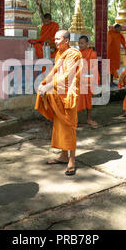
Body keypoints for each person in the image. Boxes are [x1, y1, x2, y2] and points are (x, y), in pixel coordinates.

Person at [35, 30, 82, 176]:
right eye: (54, 38)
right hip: (58, 94)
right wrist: (44, 83)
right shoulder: (59, 54)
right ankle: (63, 155)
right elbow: (55, 72)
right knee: (59, 124)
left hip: (69, 94)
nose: (55, 41)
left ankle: (72, 160)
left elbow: (68, 75)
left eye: (58, 39)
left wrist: (49, 86)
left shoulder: (74, 54)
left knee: (69, 125)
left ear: (66, 40)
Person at [77, 35, 99, 127]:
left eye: (82, 43)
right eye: (79, 43)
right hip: (79, 79)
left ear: (87, 44)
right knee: (77, 100)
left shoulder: (92, 54)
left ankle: (89, 119)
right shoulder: (77, 53)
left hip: (88, 79)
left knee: (89, 100)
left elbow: (94, 68)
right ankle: (75, 120)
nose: (80, 45)